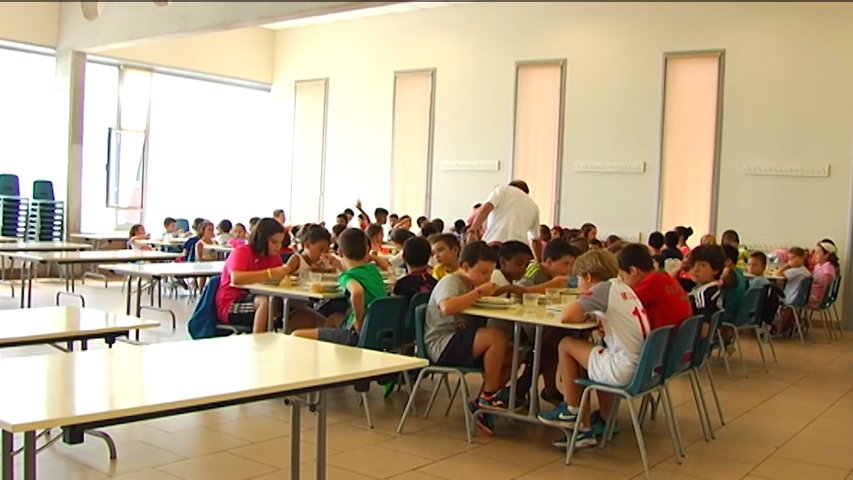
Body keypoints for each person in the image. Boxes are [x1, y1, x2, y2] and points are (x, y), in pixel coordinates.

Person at [538, 249, 650, 449]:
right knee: (586, 351)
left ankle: (572, 412)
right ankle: (588, 425)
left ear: (588, 276)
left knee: (565, 344)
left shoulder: (600, 290)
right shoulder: (622, 287)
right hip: (642, 367)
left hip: (622, 368)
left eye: (579, 278)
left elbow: (566, 316)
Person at [424, 241, 511, 434]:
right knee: (496, 337)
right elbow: (447, 308)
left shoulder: (471, 283)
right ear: (465, 267)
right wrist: (479, 292)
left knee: (511, 356)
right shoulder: (451, 282)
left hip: (462, 338)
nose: (487, 277)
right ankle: (488, 397)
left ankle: (481, 405)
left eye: (490, 272)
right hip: (443, 343)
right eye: (483, 272)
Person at [292, 228, 387, 346]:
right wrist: (339, 265)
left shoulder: (347, 277)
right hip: (378, 330)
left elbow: (357, 292)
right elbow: (356, 273)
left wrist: (359, 321)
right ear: (367, 250)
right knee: (333, 319)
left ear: (340, 253)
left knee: (296, 335)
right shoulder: (372, 270)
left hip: (357, 333)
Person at [215, 218, 290, 333]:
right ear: (262, 239)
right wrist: (270, 273)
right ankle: (257, 344)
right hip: (231, 303)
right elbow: (236, 279)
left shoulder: (273, 257)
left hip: (258, 298)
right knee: (265, 302)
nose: (278, 247)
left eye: (280, 242)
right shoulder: (242, 252)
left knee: (289, 306)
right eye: (274, 242)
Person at [618, 243, 691, 330]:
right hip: (680, 338)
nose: (622, 282)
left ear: (633, 271)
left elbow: (622, 307)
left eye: (623, 277)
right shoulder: (665, 278)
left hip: (662, 341)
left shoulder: (649, 284)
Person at [467, 180, 540, 256]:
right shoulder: (534, 206)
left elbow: (487, 207)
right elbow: (535, 241)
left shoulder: (503, 189)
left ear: (510, 186)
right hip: (519, 250)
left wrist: (473, 230)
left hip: (496, 243)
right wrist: (539, 263)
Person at [720, 244, 747, 321]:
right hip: (738, 313)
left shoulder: (728, 276)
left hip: (729, 314)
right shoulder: (739, 273)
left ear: (728, 262)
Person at [808, 240, 839, 306]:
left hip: (816, 297)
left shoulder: (828, 267)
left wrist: (820, 303)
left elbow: (826, 287)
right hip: (811, 294)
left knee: (789, 296)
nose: (814, 255)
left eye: (818, 252)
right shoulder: (817, 266)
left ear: (826, 255)